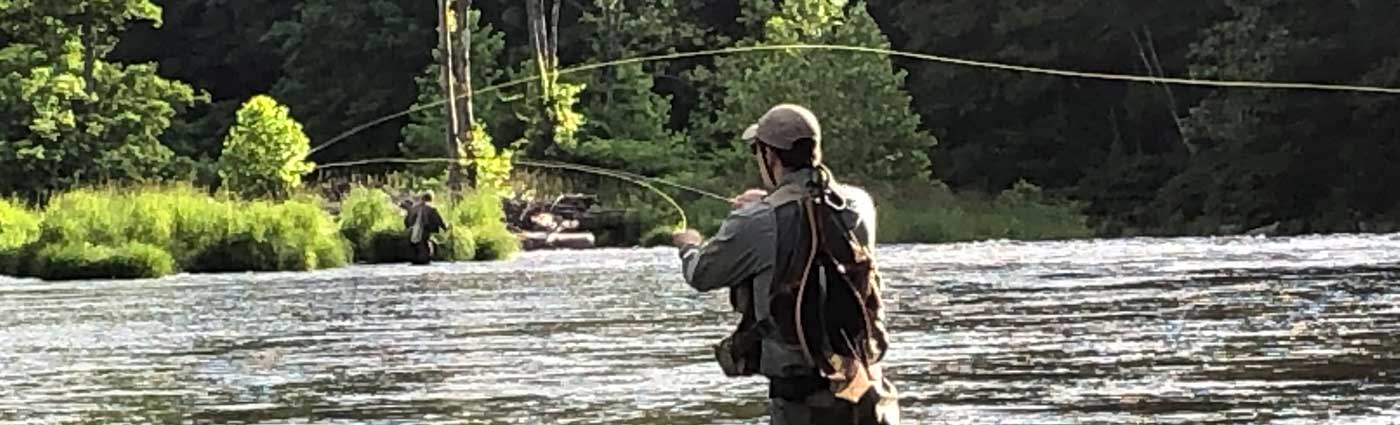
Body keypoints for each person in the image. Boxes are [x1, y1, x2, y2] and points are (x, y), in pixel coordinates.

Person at [672, 104, 900, 424]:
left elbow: (701, 275)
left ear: (771, 156)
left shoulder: (756, 221)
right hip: (867, 395)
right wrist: (765, 202)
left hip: (800, 404)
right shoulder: (859, 204)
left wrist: (689, 246)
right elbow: (807, 213)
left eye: (756, 150)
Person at [404, 191, 447, 265]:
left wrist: (408, 227)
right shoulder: (431, 209)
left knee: (417, 244)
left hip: (414, 229)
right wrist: (444, 228)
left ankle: (418, 258)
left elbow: (408, 220)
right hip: (426, 229)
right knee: (425, 243)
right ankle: (425, 257)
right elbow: (438, 219)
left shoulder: (415, 208)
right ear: (430, 199)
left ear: (422, 198)